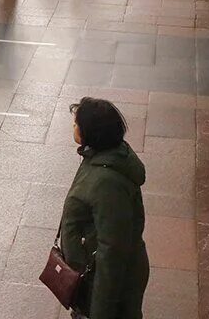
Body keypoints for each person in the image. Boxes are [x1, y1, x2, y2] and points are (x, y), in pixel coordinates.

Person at [58, 97, 150, 319]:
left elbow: (112, 253)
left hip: (103, 285)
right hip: (91, 277)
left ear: (91, 131)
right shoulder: (100, 157)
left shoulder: (107, 183)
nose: (73, 126)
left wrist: (99, 313)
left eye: (77, 123)